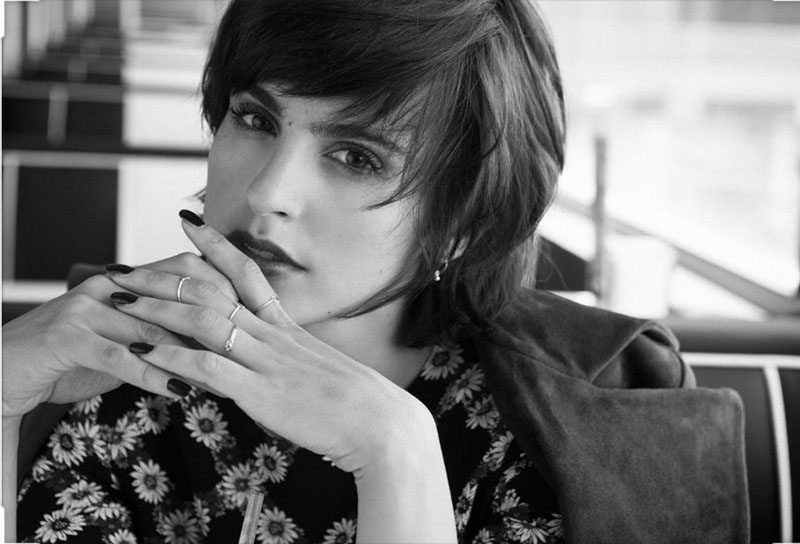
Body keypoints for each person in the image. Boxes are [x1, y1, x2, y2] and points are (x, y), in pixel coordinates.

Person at [3, 0, 749, 542]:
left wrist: (396, 455)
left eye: (357, 157)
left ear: (462, 220)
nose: (267, 194)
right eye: (255, 119)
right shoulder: (107, 364)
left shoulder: (584, 426)